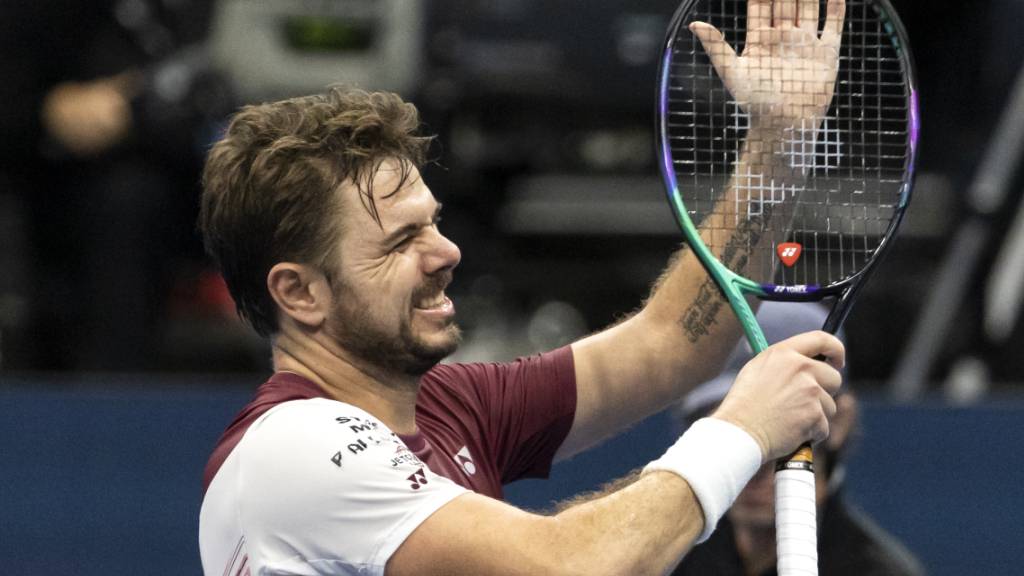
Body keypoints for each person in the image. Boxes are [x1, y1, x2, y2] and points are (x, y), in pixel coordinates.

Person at [198, 2, 848, 574]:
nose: (446, 252)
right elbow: (573, 567)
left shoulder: (450, 406)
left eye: (433, 223)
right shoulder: (293, 449)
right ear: (299, 293)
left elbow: (671, 343)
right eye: (400, 242)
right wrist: (742, 429)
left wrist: (780, 143)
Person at [671, 303, 925, 576]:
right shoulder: (667, 561)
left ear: (839, 422)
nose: (754, 465)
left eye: (780, 425)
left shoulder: (880, 570)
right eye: (734, 426)